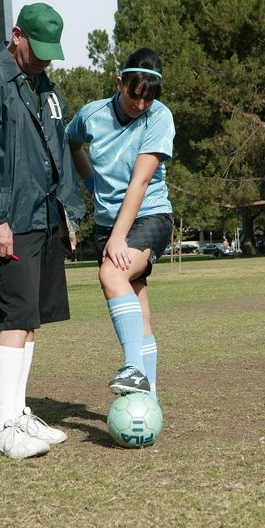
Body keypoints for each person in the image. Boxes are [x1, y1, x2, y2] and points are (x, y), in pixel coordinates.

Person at [0, 2, 85, 460]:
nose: (45, 59)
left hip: (44, 217)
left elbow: (59, 153)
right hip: (10, 219)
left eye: (52, 52)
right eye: (39, 49)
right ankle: (3, 429)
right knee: (14, 320)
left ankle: (20, 411)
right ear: (16, 35)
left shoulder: (45, 88)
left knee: (30, 321)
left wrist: (69, 211)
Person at [67, 48, 175, 402]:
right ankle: (150, 400)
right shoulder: (91, 115)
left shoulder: (160, 117)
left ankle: (133, 369)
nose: (141, 104)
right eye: (134, 93)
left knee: (112, 275)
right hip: (108, 223)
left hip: (150, 215)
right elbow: (71, 141)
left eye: (149, 96)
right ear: (119, 83)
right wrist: (90, 183)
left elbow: (140, 183)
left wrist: (117, 238)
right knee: (137, 302)